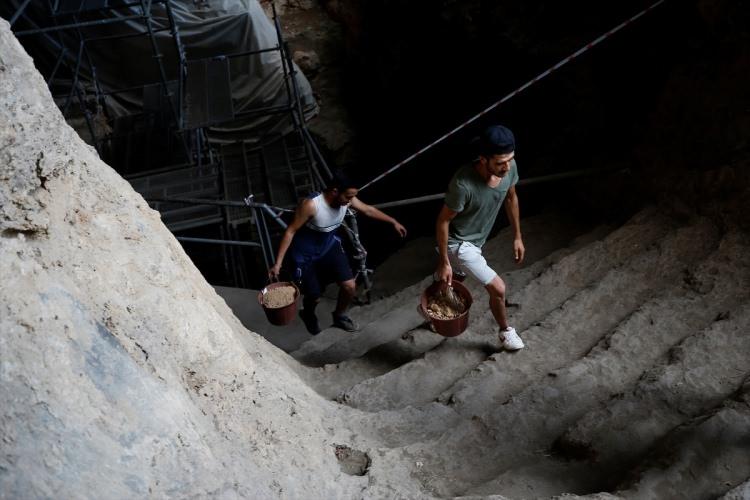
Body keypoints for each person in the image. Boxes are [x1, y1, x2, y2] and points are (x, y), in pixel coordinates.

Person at [269, 171, 407, 334]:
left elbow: (368, 210)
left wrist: (393, 221)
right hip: (304, 254)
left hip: (328, 247)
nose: (351, 201)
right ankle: (308, 313)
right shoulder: (311, 205)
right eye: (348, 197)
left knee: (349, 286)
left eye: (352, 197)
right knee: (314, 296)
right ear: (335, 191)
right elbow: (290, 231)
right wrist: (278, 264)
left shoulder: (347, 199)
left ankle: (339, 316)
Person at [435, 125, 526, 350]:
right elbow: (443, 221)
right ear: (483, 159)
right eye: (500, 162)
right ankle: (506, 333)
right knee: (498, 288)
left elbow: (511, 198)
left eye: (510, 160)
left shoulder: (510, 167)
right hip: (459, 244)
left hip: (477, 239)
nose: (506, 167)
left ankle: (434, 303)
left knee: (457, 277)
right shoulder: (463, 184)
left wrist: (517, 236)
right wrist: (444, 260)